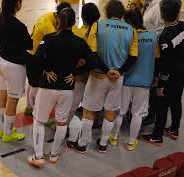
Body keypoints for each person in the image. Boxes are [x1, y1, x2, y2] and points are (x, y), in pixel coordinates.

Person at [27, 8, 98, 166]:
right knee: (61, 123)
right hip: (67, 89)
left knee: (38, 121)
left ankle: (38, 157)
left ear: (58, 20)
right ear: (73, 22)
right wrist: (76, 72)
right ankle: (53, 154)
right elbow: (93, 62)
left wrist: (46, 69)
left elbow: (35, 58)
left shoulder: (49, 38)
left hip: (48, 87)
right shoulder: (79, 42)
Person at [68, 0, 138, 154]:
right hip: (117, 79)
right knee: (110, 111)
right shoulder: (131, 30)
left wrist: (107, 70)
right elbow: (133, 57)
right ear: (121, 14)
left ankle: (83, 143)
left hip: (98, 76)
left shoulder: (98, 25)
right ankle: (103, 143)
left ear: (106, 12)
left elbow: (92, 53)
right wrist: (118, 71)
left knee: (88, 111)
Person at [142, 0, 184, 145]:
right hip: (182, 68)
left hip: (169, 74)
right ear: (178, 13)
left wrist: (161, 83)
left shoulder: (164, 37)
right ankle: (174, 129)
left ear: (162, 15)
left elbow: (165, 64)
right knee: (176, 100)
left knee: (161, 104)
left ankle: (157, 136)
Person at [109, 8, 159, 151]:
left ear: (129, 22)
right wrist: (155, 77)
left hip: (126, 80)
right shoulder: (153, 37)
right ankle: (131, 142)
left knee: (121, 112)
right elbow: (158, 59)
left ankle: (114, 137)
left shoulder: (127, 36)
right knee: (137, 113)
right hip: (144, 82)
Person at [24, 2, 71, 115]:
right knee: (35, 86)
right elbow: (53, 49)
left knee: (32, 84)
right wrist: (48, 68)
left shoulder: (50, 15)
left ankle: (29, 108)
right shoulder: (49, 27)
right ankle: (35, 112)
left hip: (31, 54)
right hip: (35, 57)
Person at [0, 0, 33, 142]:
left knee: (2, 94)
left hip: (1, 61)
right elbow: (29, 45)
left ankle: (0, 129)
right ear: (17, 4)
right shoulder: (19, 26)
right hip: (14, 66)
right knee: (13, 99)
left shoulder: (0, 17)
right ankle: (8, 133)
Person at [67, 2, 100, 145]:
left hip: (79, 76)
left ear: (82, 16)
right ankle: (93, 125)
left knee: (73, 105)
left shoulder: (76, 31)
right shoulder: (100, 32)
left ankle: (63, 126)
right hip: (95, 75)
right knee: (92, 106)